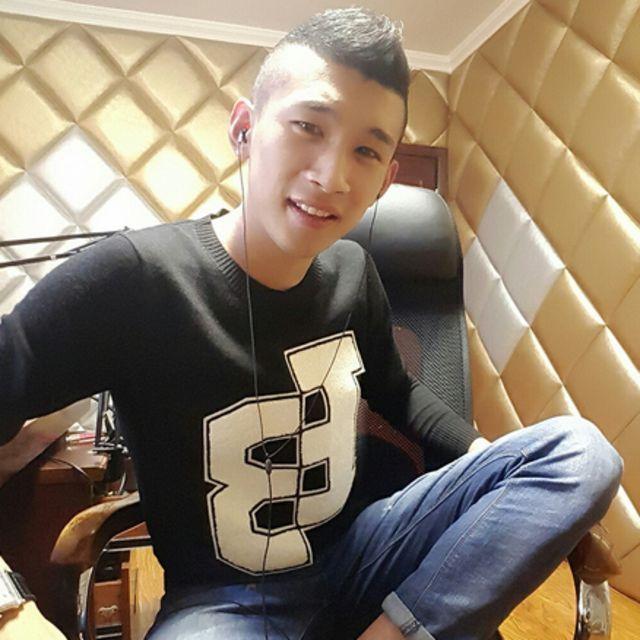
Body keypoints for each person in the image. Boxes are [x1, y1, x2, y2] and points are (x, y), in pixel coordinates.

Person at [0, 8, 622, 640]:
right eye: (307, 127)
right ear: (244, 129)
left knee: (579, 452)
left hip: (365, 556)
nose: (332, 176)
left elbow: (397, 393)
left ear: (385, 180)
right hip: (224, 603)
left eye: (366, 150)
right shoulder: (133, 278)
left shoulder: (355, 272)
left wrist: (485, 461)